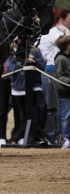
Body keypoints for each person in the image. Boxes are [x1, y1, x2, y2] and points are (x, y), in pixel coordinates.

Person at [38, 8, 69, 141]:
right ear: (61, 20)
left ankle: (59, 135)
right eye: (69, 20)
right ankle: (53, 136)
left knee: (59, 106)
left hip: (54, 69)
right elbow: (65, 43)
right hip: (51, 70)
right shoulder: (53, 32)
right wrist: (66, 31)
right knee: (53, 105)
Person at [7, 42, 47, 144]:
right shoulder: (12, 53)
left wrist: (34, 61)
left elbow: (42, 66)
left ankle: (39, 135)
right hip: (19, 88)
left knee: (42, 107)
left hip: (35, 86)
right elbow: (10, 69)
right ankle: (23, 136)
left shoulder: (35, 51)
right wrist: (24, 62)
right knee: (22, 114)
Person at [53, 35, 70, 148]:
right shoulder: (60, 58)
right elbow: (60, 77)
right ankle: (66, 139)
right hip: (65, 91)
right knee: (66, 117)